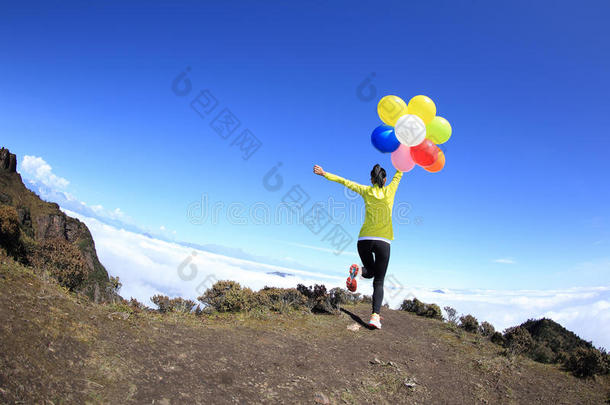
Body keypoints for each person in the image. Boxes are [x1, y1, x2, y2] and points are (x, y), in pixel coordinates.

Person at [313, 163, 403, 329]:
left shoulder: (366, 191)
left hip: (364, 240)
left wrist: (325, 173)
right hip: (383, 241)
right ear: (385, 179)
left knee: (369, 271)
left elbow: (345, 182)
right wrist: (410, 149)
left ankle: (359, 271)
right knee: (379, 280)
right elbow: (401, 171)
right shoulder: (390, 190)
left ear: (371, 179)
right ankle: (375, 316)